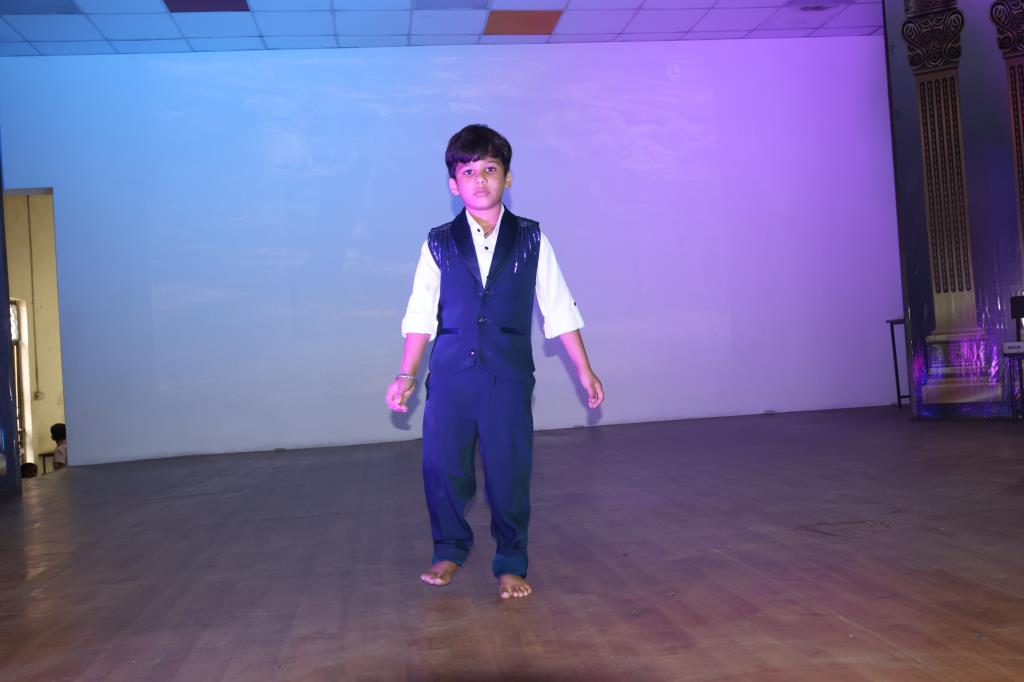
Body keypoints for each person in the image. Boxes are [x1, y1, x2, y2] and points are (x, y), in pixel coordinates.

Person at [385, 124, 604, 600]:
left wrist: (584, 370)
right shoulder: (438, 242)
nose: (480, 179)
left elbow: (558, 307)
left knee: (509, 470)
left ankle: (511, 561)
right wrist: (406, 374)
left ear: (508, 178)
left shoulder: (531, 238)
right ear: (453, 184)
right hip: (450, 375)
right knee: (443, 467)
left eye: (490, 169)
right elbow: (420, 313)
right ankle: (449, 549)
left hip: (508, 377)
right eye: (468, 171)